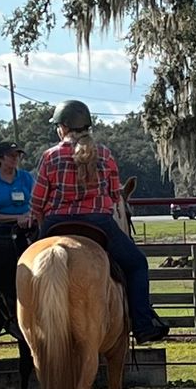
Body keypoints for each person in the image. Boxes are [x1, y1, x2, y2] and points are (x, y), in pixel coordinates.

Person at [31, 99, 170, 344]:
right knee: (137, 264)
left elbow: (37, 201)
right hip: (98, 225)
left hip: (55, 225)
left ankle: (25, 323)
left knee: (25, 267)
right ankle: (142, 325)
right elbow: (114, 196)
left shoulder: (49, 156)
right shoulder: (104, 154)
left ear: (63, 127)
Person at [0, 141, 36, 238]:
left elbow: (37, 203)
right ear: (0, 158)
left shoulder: (27, 177)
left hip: (28, 227)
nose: (15, 158)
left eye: (18, 155)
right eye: (11, 155)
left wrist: (29, 215)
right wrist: (17, 218)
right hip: (2, 230)